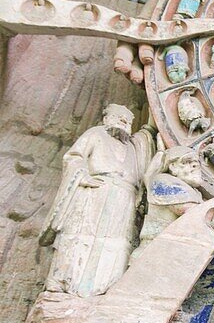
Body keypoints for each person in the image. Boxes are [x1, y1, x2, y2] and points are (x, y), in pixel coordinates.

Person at [39, 105, 155, 297]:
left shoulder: (133, 146)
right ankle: (62, 281)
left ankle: (105, 287)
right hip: (95, 189)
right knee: (79, 234)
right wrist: (82, 176)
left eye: (128, 120)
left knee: (116, 242)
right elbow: (74, 157)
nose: (124, 122)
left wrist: (155, 106)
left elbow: (148, 134)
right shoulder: (96, 134)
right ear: (106, 118)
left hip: (124, 196)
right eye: (119, 117)